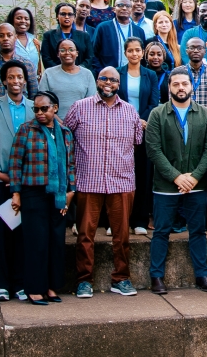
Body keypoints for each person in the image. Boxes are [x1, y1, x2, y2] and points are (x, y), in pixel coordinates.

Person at [64, 67, 145, 298]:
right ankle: (84, 281)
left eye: (113, 80)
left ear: (119, 84)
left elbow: (137, 142)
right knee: (85, 235)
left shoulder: (130, 111)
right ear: (97, 81)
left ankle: (121, 278)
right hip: (89, 181)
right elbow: (66, 137)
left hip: (121, 182)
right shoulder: (80, 108)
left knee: (122, 236)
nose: (108, 82)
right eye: (104, 78)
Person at [144, 67, 207, 294]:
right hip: (165, 186)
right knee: (161, 231)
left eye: (184, 83)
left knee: (198, 231)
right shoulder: (157, 114)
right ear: (169, 88)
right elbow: (153, 151)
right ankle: (156, 277)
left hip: (196, 185)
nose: (181, 88)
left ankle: (202, 276)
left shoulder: (205, 114)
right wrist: (176, 176)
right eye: (176, 84)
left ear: (191, 86)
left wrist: (194, 177)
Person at [7, 91, 75, 305]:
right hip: (33, 193)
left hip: (58, 195)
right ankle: (35, 289)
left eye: (44, 108)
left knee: (56, 241)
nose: (39, 113)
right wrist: (16, 193)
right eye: (35, 109)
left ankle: (52, 287)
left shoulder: (65, 132)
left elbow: (70, 164)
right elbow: (15, 162)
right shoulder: (26, 130)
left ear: (54, 108)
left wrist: (69, 193)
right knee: (36, 242)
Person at [0, 60, 31, 302]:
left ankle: (20, 283)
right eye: (11, 77)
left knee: (22, 233)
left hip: (28, 182)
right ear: (3, 81)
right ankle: (1, 284)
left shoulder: (34, 108)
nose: (16, 81)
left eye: (19, 77)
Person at [118, 37, 160, 235]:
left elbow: (153, 103)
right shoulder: (117, 73)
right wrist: (131, 120)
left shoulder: (150, 75)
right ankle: (117, 220)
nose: (134, 54)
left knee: (143, 175)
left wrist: (139, 121)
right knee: (120, 175)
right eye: (130, 51)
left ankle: (140, 220)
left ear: (142, 52)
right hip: (121, 130)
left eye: (137, 50)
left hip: (144, 128)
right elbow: (115, 101)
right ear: (125, 53)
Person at [38, 40, 97, 120]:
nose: (67, 53)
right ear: (58, 54)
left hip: (81, 124)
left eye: (71, 50)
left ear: (77, 53)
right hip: (54, 123)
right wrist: (59, 123)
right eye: (62, 50)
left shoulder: (87, 74)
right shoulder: (48, 73)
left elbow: (91, 103)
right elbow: (42, 101)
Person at [92, 0, 146, 73]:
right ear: (114, 9)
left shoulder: (139, 31)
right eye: (120, 5)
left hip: (132, 74)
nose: (124, 8)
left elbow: (142, 56)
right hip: (108, 76)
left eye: (128, 6)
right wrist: (100, 71)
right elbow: (93, 52)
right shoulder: (103, 28)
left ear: (131, 9)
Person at [0, 6, 42, 76]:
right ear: (12, 20)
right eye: (19, 18)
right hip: (7, 85)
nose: (23, 21)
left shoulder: (34, 41)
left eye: (26, 19)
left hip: (32, 84)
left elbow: (38, 68)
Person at [41, 3, 94, 71]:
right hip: (56, 75)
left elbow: (90, 57)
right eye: (63, 14)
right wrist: (60, 71)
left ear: (74, 17)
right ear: (57, 16)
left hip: (79, 75)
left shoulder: (84, 36)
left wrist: (77, 70)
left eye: (70, 14)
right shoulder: (48, 35)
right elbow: (46, 58)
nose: (66, 17)